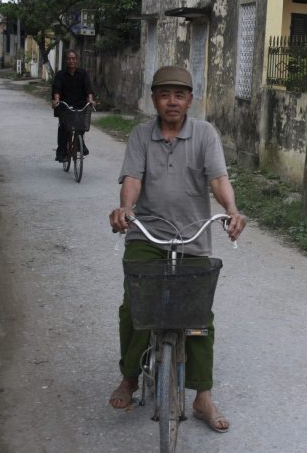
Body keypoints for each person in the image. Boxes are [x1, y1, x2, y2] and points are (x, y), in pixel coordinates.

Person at [108, 65, 246, 433]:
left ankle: (202, 395)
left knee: (199, 319)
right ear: (154, 98)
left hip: (192, 238)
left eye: (180, 94)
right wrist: (126, 209)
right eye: (165, 94)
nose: (172, 101)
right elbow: (133, 180)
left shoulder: (204, 134)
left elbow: (218, 179)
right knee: (136, 309)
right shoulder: (140, 136)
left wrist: (231, 211)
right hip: (147, 237)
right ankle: (130, 377)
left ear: (190, 100)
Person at [52, 49, 94, 162]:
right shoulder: (60, 74)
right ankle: (61, 152)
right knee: (64, 128)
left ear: (77, 61)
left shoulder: (83, 73)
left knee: (82, 124)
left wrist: (90, 100)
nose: (71, 61)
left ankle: (80, 143)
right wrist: (56, 100)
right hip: (65, 106)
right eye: (69, 59)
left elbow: (88, 88)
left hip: (79, 104)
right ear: (66, 60)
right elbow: (57, 88)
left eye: (73, 59)